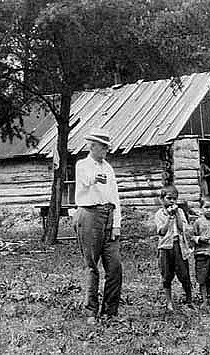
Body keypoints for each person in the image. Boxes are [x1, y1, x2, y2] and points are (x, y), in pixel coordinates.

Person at [74, 127, 122, 326]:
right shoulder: (83, 165)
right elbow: (85, 181)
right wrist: (95, 178)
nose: (106, 151)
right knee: (92, 266)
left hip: (108, 215)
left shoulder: (108, 168)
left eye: (107, 148)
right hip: (89, 215)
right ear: (92, 146)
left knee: (115, 266)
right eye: (103, 148)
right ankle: (91, 311)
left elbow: (115, 197)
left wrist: (117, 224)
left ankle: (110, 311)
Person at [154, 185, 193, 311]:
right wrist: (169, 218)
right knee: (167, 275)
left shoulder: (180, 212)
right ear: (162, 199)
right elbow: (162, 232)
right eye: (169, 198)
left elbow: (182, 229)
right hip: (165, 248)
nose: (172, 201)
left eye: (174, 199)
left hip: (179, 246)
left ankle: (189, 299)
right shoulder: (159, 214)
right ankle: (169, 302)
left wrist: (176, 215)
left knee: (184, 274)